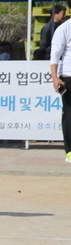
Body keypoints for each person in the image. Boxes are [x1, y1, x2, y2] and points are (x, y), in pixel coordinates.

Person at [48, 17, 71, 163]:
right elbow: (55, 53)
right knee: (69, 113)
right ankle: (70, 151)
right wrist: (55, 78)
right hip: (69, 76)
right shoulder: (64, 28)